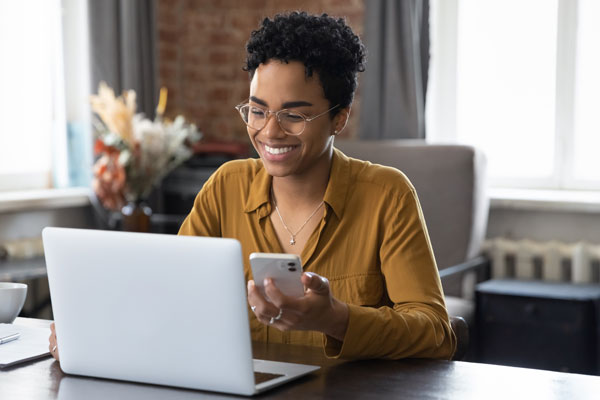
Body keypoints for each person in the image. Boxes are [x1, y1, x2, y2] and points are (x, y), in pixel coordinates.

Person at [50, 11, 456, 361]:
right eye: (257, 110)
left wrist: (336, 318)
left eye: (294, 116)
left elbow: (436, 332)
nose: (269, 132)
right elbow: (167, 293)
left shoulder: (387, 195)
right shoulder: (226, 186)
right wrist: (93, 326)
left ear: (339, 118)